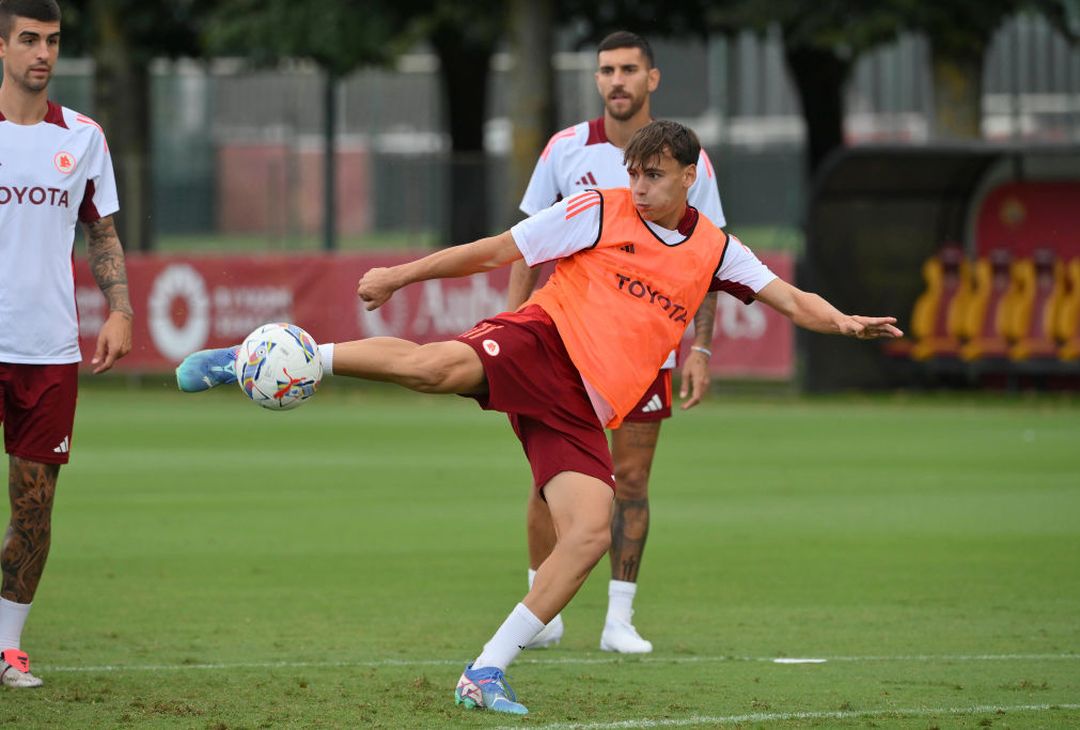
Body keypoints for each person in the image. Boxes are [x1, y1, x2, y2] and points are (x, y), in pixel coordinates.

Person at [176, 120, 901, 715]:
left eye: (653, 174)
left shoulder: (717, 249)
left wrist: (844, 323)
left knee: (588, 533)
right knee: (434, 370)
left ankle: (484, 671)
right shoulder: (598, 209)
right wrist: (401, 275)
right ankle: (259, 356)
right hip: (543, 342)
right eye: (634, 172)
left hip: (585, 408)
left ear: (689, 176)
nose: (639, 185)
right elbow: (497, 249)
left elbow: (788, 297)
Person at [511, 31, 727, 653]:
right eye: (607, 70)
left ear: (652, 79)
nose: (617, 81)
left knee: (630, 480)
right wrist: (512, 319)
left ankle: (619, 620)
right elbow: (526, 242)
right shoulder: (564, 149)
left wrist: (701, 350)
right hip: (565, 345)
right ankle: (543, 610)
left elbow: (709, 260)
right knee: (547, 481)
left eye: (629, 69)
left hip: (645, 352)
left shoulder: (693, 164)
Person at [0, 0, 133, 689]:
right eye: (28, 39)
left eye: (51, 40)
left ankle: (7, 646)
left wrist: (119, 308)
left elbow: (101, 233)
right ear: (2, 46)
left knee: (35, 506)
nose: (42, 53)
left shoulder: (83, 137)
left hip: (48, 349)